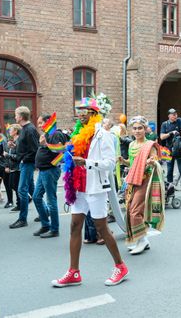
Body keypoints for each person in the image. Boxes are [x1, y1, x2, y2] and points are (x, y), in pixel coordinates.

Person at [52, 97, 128, 287]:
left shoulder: (104, 136)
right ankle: (74, 272)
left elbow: (110, 165)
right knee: (75, 226)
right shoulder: (77, 134)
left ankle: (120, 266)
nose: (80, 115)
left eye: (84, 111)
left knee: (101, 227)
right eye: (78, 111)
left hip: (95, 187)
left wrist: (86, 163)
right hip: (78, 187)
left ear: (94, 114)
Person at [119, 116, 165, 255]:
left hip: (144, 181)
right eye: (135, 128)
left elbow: (155, 160)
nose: (137, 131)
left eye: (140, 128)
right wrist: (123, 161)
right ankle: (141, 240)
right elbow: (132, 163)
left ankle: (142, 240)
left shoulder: (150, 145)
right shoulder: (132, 145)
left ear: (145, 129)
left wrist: (152, 161)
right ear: (131, 130)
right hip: (132, 181)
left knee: (134, 211)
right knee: (131, 211)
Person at [32, 115, 68, 238]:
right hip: (43, 171)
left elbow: (61, 150)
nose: (39, 125)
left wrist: (45, 144)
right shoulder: (47, 134)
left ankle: (54, 229)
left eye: (41, 122)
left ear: (48, 122)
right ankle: (45, 224)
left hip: (50, 170)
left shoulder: (55, 134)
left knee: (51, 200)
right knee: (36, 197)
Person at [9, 106, 39, 229]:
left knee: (22, 190)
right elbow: (26, 146)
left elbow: (34, 149)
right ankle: (46, 211)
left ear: (21, 117)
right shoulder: (24, 129)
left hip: (27, 163)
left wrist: (22, 159)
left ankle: (23, 219)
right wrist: (15, 146)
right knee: (32, 189)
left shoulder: (29, 129)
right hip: (25, 163)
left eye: (16, 115)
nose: (15, 117)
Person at [159, 108, 181, 197]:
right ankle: (170, 190)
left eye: (176, 114)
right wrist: (171, 133)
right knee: (169, 170)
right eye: (173, 114)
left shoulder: (179, 121)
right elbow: (161, 137)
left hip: (179, 150)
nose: (175, 116)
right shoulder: (164, 124)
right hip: (169, 150)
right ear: (169, 115)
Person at [4, 124, 21, 209]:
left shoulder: (18, 141)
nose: (9, 131)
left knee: (15, 186)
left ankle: (20, 203)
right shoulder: (13, 141)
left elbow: (18, 156)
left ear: (16, 131)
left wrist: (8, 155)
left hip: (17, 168)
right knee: (12, 185)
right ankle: (21, 201)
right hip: (12, 167)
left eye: (11, 130)